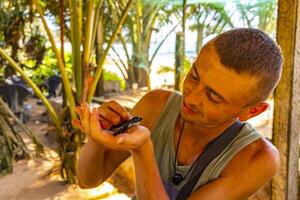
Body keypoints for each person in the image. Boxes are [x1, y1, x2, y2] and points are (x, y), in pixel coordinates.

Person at [72, 28, 282, 200]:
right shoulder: (157, 105)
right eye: (194, 76)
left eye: (213, 97)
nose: (190, 98)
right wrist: (99, 135)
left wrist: (142, 149)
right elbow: (88, 180)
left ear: (252, 111)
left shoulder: (257, 158)